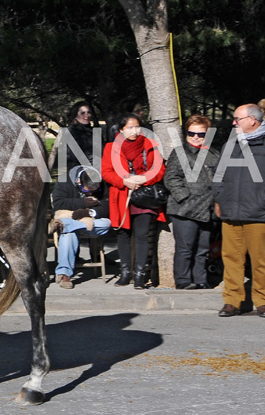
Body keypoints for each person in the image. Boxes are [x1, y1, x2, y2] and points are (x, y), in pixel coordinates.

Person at [101, 113, 166, 289]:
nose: (134, 131)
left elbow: (159, 169)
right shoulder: (111, 147)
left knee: (142, 235)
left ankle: (139, 275)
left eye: (137, 126)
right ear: (121, 130)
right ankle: (125, 272)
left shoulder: (150, 144)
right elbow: (106, 172)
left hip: (144, 196)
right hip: (121, 195)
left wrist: (144, 179)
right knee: (122, 235)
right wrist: (124, 181)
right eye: (130, 127)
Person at [212, 103, 265, 317]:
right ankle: (232, 301)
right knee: (231, 259)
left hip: (258, 213)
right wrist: (219, 199)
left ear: (253, 120)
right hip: (230, 211)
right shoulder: (231, 144)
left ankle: (262, 300)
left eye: (238, 119)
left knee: (261, 260)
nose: (234, 122)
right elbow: (219, 176)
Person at [163, 115, 221, 289]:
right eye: (191, 133)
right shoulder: (180, 152)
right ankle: (183, 281)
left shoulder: (214, 154)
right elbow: (171, 178)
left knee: (203, 249)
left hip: (207, 209)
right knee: (185, 248)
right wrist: (186, 198)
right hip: (184, 210)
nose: (196, 137)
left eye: (201, 134)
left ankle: (200, 280)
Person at [51, 165, 111, 289]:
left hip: (89, 221)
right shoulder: (65, 181)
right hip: (69, 216)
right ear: (79, 182)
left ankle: (68, 226)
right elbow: (57, 204)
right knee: (68, 235)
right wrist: (82, 203)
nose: (91, 193)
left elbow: (107, 205)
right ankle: (64, 274)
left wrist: (89, 212)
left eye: (94, 191)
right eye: (87, 191)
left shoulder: (101, 183)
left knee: (106, 224)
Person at [59, 101, 99, 172]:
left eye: (88, 112)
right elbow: (77, 155)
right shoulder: (70, 132)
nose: (87, 115)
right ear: (75, 115)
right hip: (80, 171)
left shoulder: (93, 131)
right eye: (82, 113)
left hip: (97, 169)